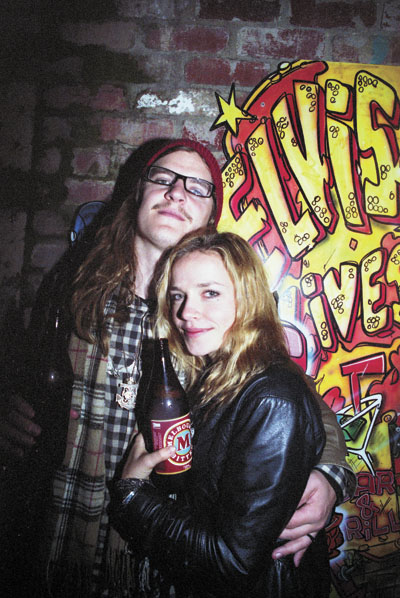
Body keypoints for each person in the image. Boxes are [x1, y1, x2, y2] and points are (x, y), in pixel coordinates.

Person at [0, 138, 353, 597]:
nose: (176, 192)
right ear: (137, 194)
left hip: (159, 551)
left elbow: (288, 394)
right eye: (162, 178)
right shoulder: (72, 286)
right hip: (62, 528)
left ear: (211, 216)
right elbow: (25, 369)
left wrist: (328, 474)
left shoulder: (213, 316)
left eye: (197, 187)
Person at [108, 228, 332, 598]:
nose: (186, 312)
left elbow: (232, 563)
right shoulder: (219, 377)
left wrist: (132, 495)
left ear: (247, 298)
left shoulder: (270, 396)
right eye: (177, 296)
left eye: (210, 293)